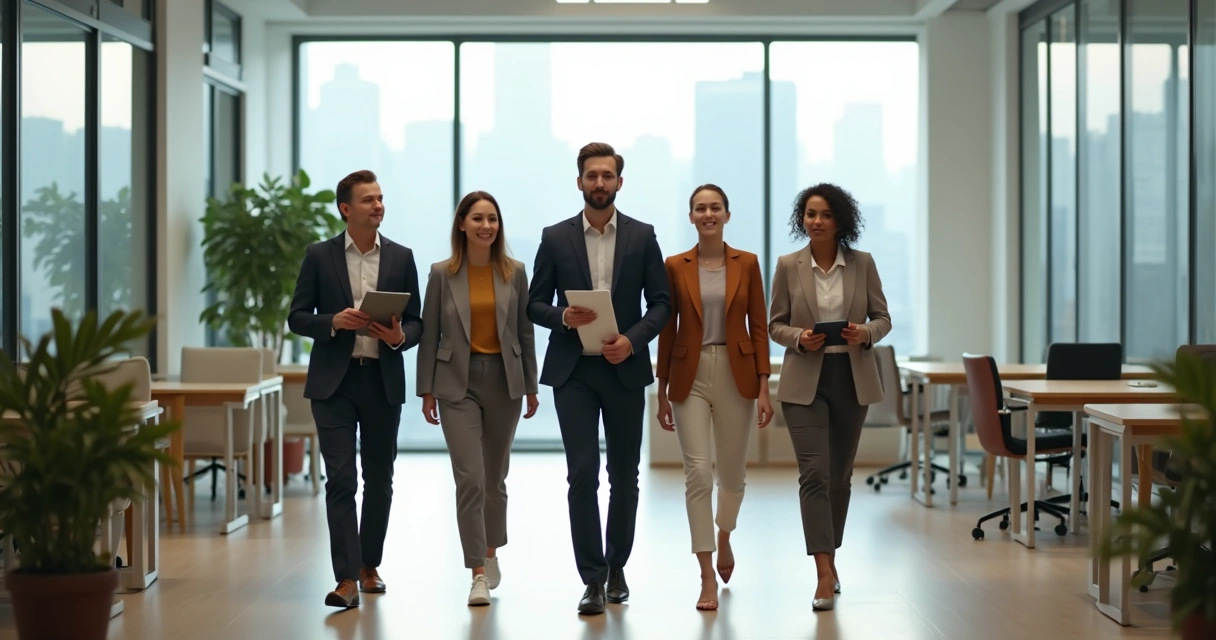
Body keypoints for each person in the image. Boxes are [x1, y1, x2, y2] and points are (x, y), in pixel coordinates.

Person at [526, 142, 671, 615]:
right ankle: (590, 578)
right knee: (582, 472)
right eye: (592, 175)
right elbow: (533, 304)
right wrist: (564, 317)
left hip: (625, 368)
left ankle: (616, 567)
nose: (600, 183)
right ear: (580, 181)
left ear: (619, 183)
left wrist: (632, 339)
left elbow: (662, 305)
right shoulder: (554, 237)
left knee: (623, 475)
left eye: (607, 176)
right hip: (574, 372)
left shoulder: (643, 236)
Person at [287, 169, 423, 609]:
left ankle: (369, 565)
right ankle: (345, 578)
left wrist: (399, 337)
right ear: (346, 208)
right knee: (341, 479)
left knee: (379, 478)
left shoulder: (402, 257)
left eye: (380, 198)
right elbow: (296, 316)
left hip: (381, 379)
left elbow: (418, 321)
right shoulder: (318, 255)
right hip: (335, 382)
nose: (378, 205)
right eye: (368, 200)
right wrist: (333, 322)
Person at [767, 183, 890, 612]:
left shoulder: (863, 263)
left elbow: (883, 317)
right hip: (805, 380)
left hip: (851, 376)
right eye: (808, 214)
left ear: (840, 221)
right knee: (814, 474)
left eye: (823, 215)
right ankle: (822, 572)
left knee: (840, 477)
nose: (815, 221)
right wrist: (799, 337)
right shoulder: (787, 265)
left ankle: (830, 556)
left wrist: (865, 333)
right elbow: (774, 324)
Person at [416, 191, 540, 607]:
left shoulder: (515, 272)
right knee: (469, 477)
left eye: (492, 219)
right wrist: (426, 389)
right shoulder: (441, 274)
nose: (486, 226)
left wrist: (532, 385)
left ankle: (490, 549)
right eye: (477, 219)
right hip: (456, 383)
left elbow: (525, 333)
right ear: (462, 224)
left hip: (505, 381)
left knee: (494, 478)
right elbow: (429, 334)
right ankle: (478, 572)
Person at [655, 184, 773, 611]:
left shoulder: (748, 263)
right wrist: (661, 390)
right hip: (689, 373)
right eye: (700, 208)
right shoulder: (675, 265)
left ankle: (724, 535)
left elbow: (759, 327)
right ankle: (705, 573)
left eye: (715, 208)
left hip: (737, 372)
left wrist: (764, 386)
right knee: (698, 474)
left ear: (726, 215)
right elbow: (667, 330)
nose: (708, 214)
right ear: (691, 217)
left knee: (733, 475)